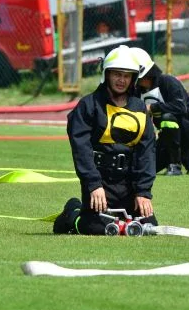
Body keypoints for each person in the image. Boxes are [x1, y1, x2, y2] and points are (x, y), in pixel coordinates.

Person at [53, 45, 158, 236]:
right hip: (100, 181)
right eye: (117, 74)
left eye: (126, 75)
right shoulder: (89, 105)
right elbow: (81, 149)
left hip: (129, 183)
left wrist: (143, 192)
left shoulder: (140, 108)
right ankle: (72, 214)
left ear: (133, 78)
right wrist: (93, 184)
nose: (121, 80)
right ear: (106, 74)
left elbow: (147, 152)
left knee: (148, 227)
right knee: (96, 229)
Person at [130, 47, 189, 176]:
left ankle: (175, 164)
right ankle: (188, 154)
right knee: (147, 167)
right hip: (166, 136)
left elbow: (180, 107)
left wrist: (151, 108)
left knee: (168, 118)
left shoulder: (167, 82)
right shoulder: (136, 92)